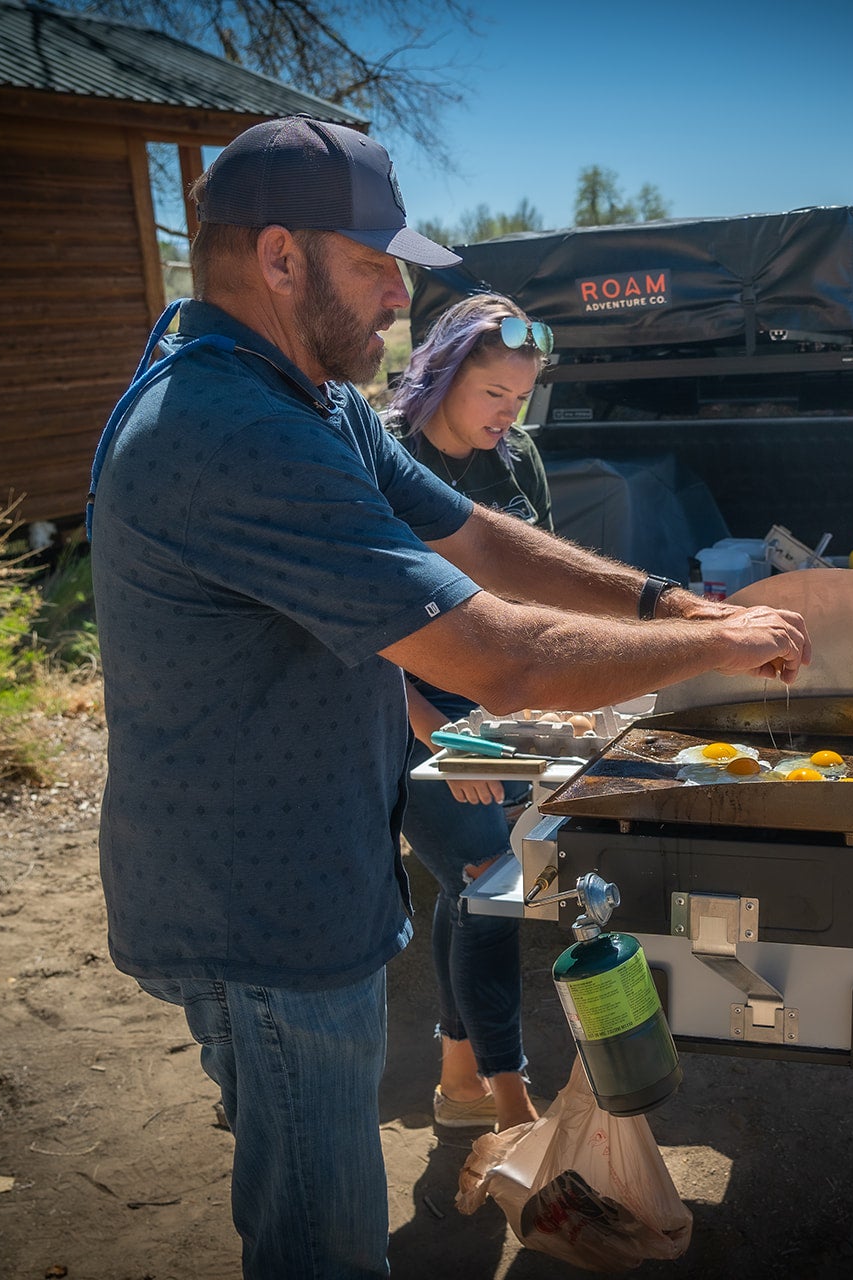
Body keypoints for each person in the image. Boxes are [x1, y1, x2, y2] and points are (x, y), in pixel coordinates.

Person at [87, 114, 809, 1280]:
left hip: (305, 880)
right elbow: (501, 657)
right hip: (260, 920)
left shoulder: (299, 394)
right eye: (376, 267)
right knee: (323, 1251)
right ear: (279, 257)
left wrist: (674, 607)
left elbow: (474, 534)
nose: (394, 299)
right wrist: (713, 649)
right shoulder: (225, 429)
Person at [383, 293, 554, 1134]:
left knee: (468, 887)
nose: (506, 415)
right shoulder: (383, 458)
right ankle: (514, 1107)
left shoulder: (518, 461)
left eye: (519, 400)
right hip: (407, 713)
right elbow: (359, 623)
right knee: (491, 881)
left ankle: (457, 1080)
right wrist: (440, 735)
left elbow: (542, 589)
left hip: (497, 709)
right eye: (493, 395)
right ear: (444, 377)